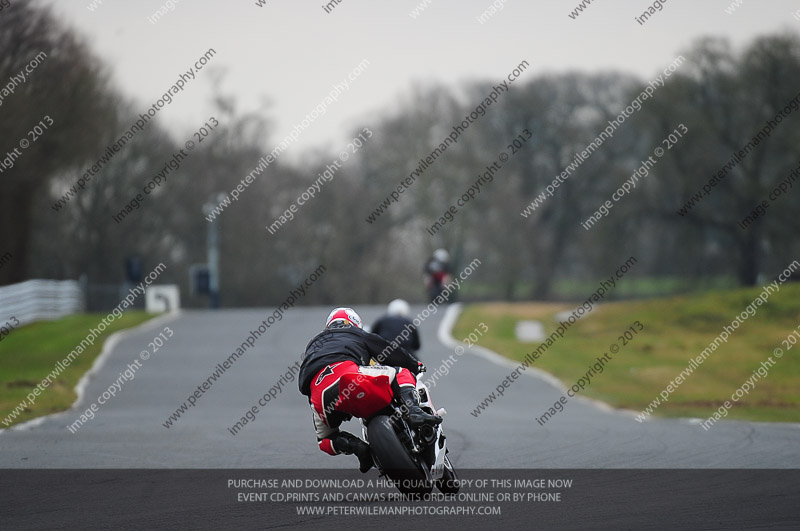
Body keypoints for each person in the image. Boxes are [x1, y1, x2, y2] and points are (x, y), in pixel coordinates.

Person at [298, 307, 442, 473]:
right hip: (347, 375)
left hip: (318, 391)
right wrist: (414, 364)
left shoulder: (314, 343)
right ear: (355, 323)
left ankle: (358, 448)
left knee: (324, 440)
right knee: (401, 372)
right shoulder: (355, 332)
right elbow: (389, 350)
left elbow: (303, 381)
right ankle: (413, 411)